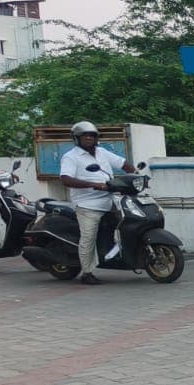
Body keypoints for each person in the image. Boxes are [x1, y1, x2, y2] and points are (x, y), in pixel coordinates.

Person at [58, 121, 128, 285]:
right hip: (88, 204)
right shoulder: (71, 157)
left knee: (130, 222)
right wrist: (92, 184)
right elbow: (65, 179)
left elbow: (123, 164)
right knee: (88, 237)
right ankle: (87, 272)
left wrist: (138, 175)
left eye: (92, 135)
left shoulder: (102, 152)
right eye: (85, 136)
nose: (89, 138)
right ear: (77, 138)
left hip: (110, 199)